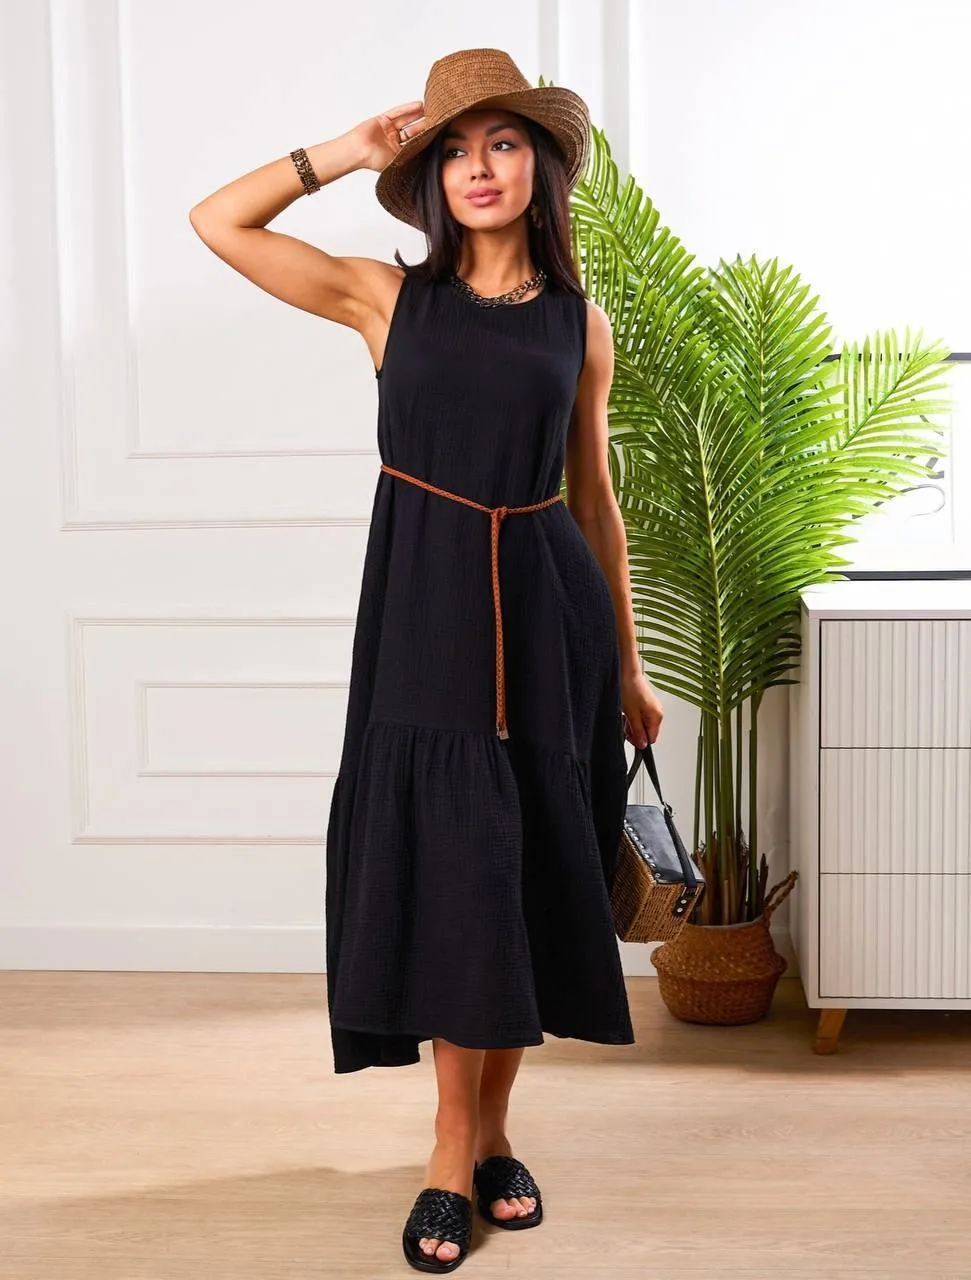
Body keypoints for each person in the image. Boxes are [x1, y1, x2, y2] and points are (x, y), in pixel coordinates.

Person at [189, 45, 663, 1275]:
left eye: (500, 142)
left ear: (540, 166)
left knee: (520, 878)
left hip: (548, 603)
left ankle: (493, 1137)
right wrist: (343, 153)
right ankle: (450, 1151)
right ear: (429, 179)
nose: (476, 167)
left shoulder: (579, 321)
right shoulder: (385, 299)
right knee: (454, 869)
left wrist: (625, 667)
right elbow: (217, 221)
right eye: (450, 150)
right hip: (426, 609)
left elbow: (594, 498)